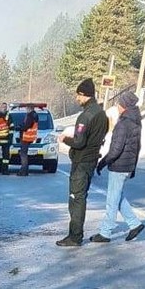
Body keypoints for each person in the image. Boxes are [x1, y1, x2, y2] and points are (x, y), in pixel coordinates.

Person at [56, 78, 109, 247]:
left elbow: (79, 142)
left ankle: (75, 236)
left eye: (78, 95)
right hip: (91, 160)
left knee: (76, 198)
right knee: (81, 196)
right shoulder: (102, 114)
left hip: (81, 162)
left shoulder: (85, 116)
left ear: (85, 95)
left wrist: (65, 139)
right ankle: (75, 234)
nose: (77, 98)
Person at [90, 91, 145, 243]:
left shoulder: (123, 124)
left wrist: (103, 162)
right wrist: (133, 166)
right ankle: (135, 224)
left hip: (119, 166)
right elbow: (137, 147)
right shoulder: (135, 122)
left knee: (112, 201)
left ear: (124, 106)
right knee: (118, 196)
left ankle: (105, 232)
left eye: (119, 104)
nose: (118, 107)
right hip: (127, 165)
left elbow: (116, 149)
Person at [18, 104, 39, 176]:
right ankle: (25, 170)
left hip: (26, 137)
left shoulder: (30, 116)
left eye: (27, 108)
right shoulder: (35, 115)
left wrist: (20, 127)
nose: (26, 110)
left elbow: (26, 126)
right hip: (30, 137)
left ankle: (23, 171)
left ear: (30, 109)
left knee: (23, 154)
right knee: (24, 153)